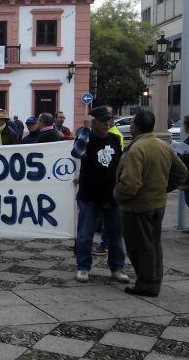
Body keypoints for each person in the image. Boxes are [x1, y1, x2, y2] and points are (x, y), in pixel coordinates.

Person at [114, 111, 187, 297]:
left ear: (136, 126)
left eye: (131, 122)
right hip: (157, 204)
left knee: (140, 247)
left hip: (138, 207)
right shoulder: (163, 145)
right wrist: (162, 189)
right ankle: (154, 280)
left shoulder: (138, 148)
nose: (130, 125)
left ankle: (147, 284)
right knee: (153, 245)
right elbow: (181, 171)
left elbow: (130, 182)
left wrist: (118, 195)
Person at [73, 106, 129, 284]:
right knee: (84, 235)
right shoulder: (86, 138)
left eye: (109, 120)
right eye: (103, 120)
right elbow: (77, 152)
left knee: (115, 234)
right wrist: (86, 130)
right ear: (94, 121)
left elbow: (119, 162)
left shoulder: (113, 138)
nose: (107, 123)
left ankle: (117, 267)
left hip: (111, 195)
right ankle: (83, 267)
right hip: (89, 195)